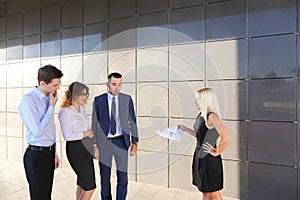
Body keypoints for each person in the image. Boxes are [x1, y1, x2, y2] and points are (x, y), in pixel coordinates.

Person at [18, 64, 63, 200]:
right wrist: (51, 107)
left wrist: (54, 153)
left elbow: (50, 129)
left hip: (48, 154)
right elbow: (37, 131)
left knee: (46, 195)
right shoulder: (28, 101)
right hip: (36, 156)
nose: (58, 88)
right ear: (43, 83)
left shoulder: (48, 98)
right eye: (55, 85)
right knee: (39, 197)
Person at [92, 72, 139, 200]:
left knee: (123, 178)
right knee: (105, 178)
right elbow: (94, 124)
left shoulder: (127, 99)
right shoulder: (98, 100)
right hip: (104, 144)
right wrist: (94, 145)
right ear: (107, 84)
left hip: (121, 143)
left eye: (119, 84)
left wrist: (135, 143)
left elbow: (133, 122)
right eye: (114, 84)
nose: (117, 88)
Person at [178, 87, 231, 200]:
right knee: (207, 193)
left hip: (209, 161)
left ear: (205, 100)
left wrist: (216, 152)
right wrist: (185, 129)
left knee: (212, 193)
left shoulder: (212, 117)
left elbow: (227, 138)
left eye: (198, 99)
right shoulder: (201, 115)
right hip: (199, 157)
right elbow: (200, 135)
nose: (195, 102)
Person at [58, 82, 96, 200]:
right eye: (82, 94)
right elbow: (68, 136)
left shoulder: (82, 109)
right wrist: (86, 134)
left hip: (86, 148)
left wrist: (93, 145)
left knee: (83, 183)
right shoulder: (65, 112)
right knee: (90, 187)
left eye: (86, 94)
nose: (85, 97)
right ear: (74, 94)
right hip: (76, 150)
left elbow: (87, 128)